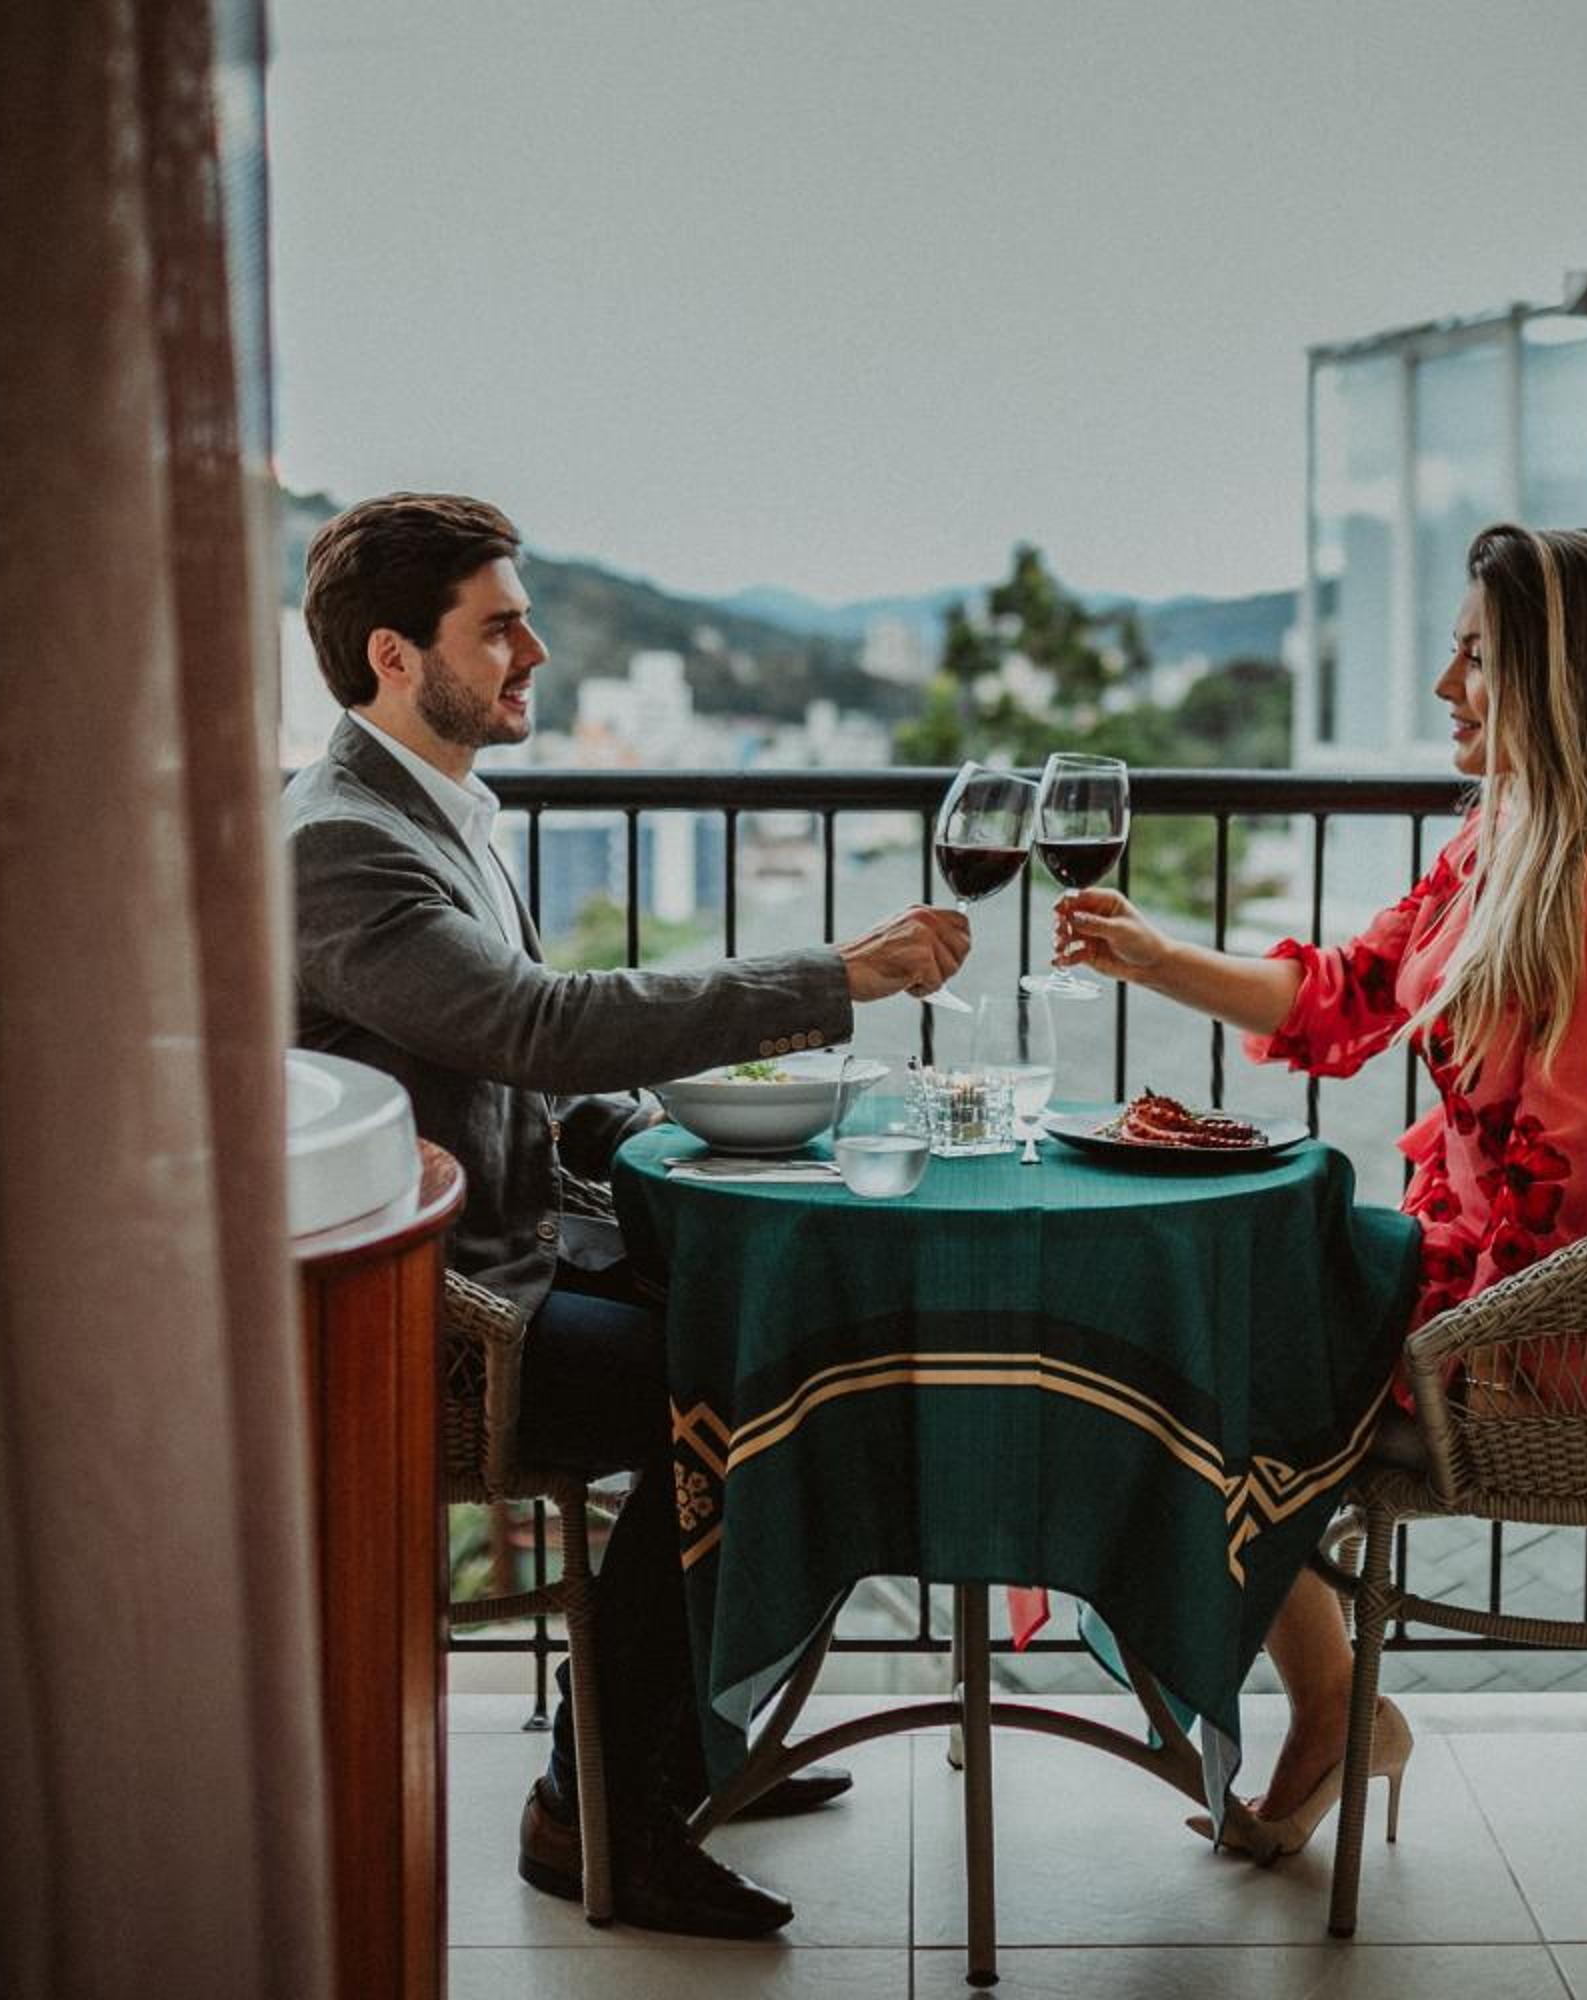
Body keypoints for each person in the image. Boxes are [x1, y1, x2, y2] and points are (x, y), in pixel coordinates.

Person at [286, 492, 969, 1936]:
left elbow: (523, 1093)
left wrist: (705, 1138)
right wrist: (833, 977)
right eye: (500, 628)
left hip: (514, 1260)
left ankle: (679, 1741)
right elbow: (538, 1028)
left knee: (799, 1329)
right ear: (396, 657)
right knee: (761, 1391)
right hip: (436, 1327)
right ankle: (597, 1807)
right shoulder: (340, 845)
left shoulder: (433, 809)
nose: (536, 652)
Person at [1051, 522, 1587, 1851]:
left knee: (1203, 1359)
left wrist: (1431, 1325)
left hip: (1552, 1323)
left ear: (1562, 680)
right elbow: (1342, 996)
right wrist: (1152, 957)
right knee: (1194, 1339)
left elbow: (1564, 1187)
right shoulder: (1496, 846)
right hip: (1470, 1281)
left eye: (1477, 659)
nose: (1447, 687)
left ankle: (1327, 1702)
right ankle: (1327, 1700)